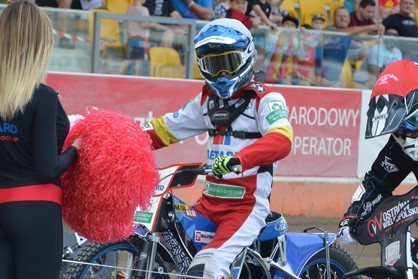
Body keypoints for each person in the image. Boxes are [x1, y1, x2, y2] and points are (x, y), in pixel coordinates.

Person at [141, 18, 293, 278]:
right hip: (207, 205)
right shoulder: (205, 102)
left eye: (228, 63)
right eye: (214, 65)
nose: (222, 74)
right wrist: (117, 140)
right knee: (161, 241)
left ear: (247, 57)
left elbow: (282, 140)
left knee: (206, 269)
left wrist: (238, 160)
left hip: (245, 209)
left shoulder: (266, 99)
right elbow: (161, 131)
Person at [0, 1, 81, 279]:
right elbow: (47, 167)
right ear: (39, 44)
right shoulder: (43, 97)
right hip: (35, 209)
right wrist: (75, 150)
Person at [337, 59, 418, 245]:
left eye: (410, 123)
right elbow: (376, 182)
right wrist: (351, 217)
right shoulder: (399, 146)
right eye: (398, 126)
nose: (405, 132)